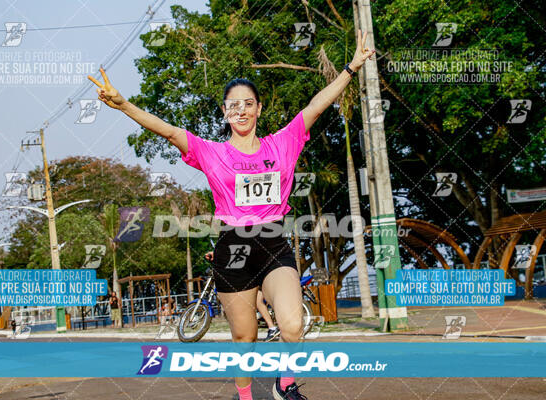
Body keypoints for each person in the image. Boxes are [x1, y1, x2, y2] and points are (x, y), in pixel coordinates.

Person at [89, 29, 374, 400]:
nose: (241, 110)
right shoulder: (212, 152)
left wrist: (351, 68)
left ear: (259, 109)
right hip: (233, 248)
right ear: (225, 112)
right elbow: (167, 130)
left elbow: (317, 105)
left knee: (292, 324)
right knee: (244, 338)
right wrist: (124, 104)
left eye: (248, 103)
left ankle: (284, 384)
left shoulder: (283, 142)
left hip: (273, 242)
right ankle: (245, 397)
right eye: (233, 105)